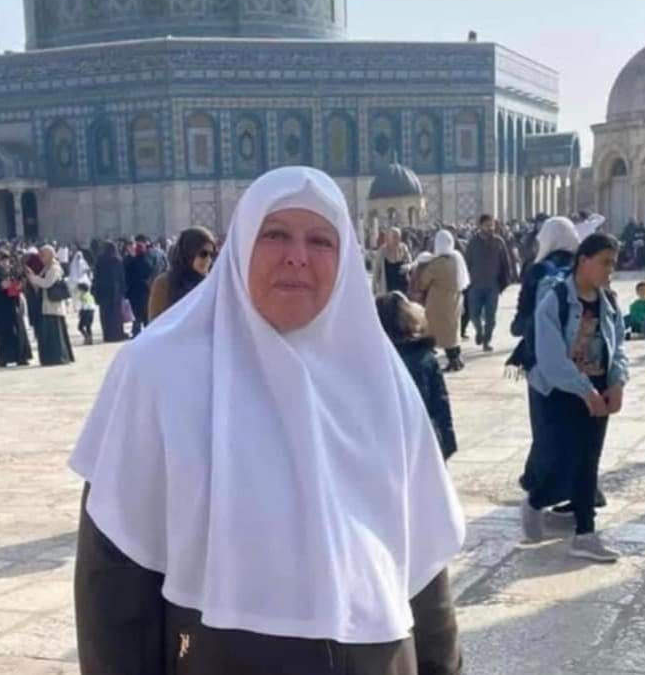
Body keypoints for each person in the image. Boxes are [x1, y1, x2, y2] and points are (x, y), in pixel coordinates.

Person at [71, 167, 465, 675]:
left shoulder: (380, 381)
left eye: (320, 241)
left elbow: (425, 574)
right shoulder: (160, 372)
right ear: (239, 247)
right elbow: (113, 576)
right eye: (274, 234)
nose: (297, 255)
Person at [522, 233, 629, 562]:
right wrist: (583, 390)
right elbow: (551, 358)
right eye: (605, 262)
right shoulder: (555, 299)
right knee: (563, 459)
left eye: (613, 263)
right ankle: (536, 500)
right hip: (561, 390)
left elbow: (618, 345)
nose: (610, 270)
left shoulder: (608, 301)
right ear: (584, 260)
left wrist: (617, 382)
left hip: (597, 387)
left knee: (588, 461)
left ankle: (585, 533)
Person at [376, 291, 458, 460]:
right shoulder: (424, 357)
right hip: (422, 437)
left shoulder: (372, 359)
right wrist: (447, 442)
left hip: (385, 443)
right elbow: (440, 403)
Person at [417, 230, 471, 372]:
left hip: (439, 303)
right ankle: (457, 359)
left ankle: (453, 361)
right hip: (456, 300)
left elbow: (423, 281)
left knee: (443, 333)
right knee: (453, 331)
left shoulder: (437, 264)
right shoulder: (456, 258)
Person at [148, 227, 216, 322]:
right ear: (188, 252)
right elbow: (156, 324)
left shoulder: (211, 284)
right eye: (203, 254)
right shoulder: (164, 283)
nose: (208, 260)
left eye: (211, 255)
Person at [465, 214, 512, 352]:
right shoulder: (473, 242)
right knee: (474, 315)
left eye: (492, 225)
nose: (490, 228)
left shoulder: (499, 242)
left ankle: (487, 340)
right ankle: (479, 331)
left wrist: (506, 280)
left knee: (491, 317)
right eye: (487, 225)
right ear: (480, 226)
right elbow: (467, 262)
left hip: (493, 286)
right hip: (475, 285)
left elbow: (506, 262)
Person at [25, 245, 75, 367]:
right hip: (44, 305)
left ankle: (58, 357)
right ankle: (48, 358)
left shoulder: (54, 268)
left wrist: (33, 278)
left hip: (52, 306)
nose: (42, 258)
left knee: (54, 333)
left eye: (44, 255)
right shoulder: (46, 268)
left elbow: (47, 283)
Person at [0, 252, 33, 368]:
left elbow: (22, 282)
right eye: (2, 260)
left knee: (17, 331)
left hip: (13, 305)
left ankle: (21, 357)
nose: (5, 263)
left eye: (6, 260)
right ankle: (3, 358)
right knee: (1, 333)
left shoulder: (12, 271)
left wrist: (19, 286)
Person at [92, 242, 127, 343]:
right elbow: (121, 277)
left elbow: (96, 277)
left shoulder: (100, 260)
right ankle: (116, 334)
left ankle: (107, 335)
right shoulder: (117, 260)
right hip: (115, 291)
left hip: (103, 291)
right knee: (116, 315)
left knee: (105, 315)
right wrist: (123, 291)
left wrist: (95, 291)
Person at [124, 236, 158, 337]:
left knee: (136, 315)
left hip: (134, 292)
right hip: (145, 291)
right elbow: (151, 273)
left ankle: (136, 334)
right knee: (146, 315)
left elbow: (126, 276)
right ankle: (148, 334)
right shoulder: (147, 261)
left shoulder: (130, 262)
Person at [371, 227, 413, 296]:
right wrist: (374, 287)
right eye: (394, 237)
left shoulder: (403, 248)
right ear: (389, 238)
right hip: (388, 286)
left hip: (403, 286)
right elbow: (376, 270)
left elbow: (411, 263)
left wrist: (408, 267)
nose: (397, 240)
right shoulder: (382, 250)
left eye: (399, 237)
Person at [77, 281, 96, 346]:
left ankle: (87, 337)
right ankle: (90, 340)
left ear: (82, 289)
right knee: (88, 326)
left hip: (85, 312)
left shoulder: (82, 296)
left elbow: (83, 305)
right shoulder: (91, 295)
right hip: (91, 312)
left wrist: (80, 313)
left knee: (80, 327)